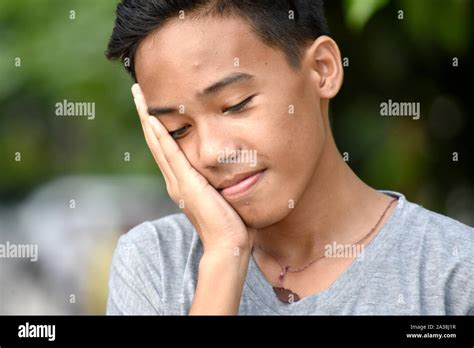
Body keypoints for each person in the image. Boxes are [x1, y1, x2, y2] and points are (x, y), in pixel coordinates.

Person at [105, 0, 474, 315]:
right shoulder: (156, 264)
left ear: (322, 69)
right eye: (177, 130)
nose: (211, 152)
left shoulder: (453, 274)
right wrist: (224, 258)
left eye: (236, 105)